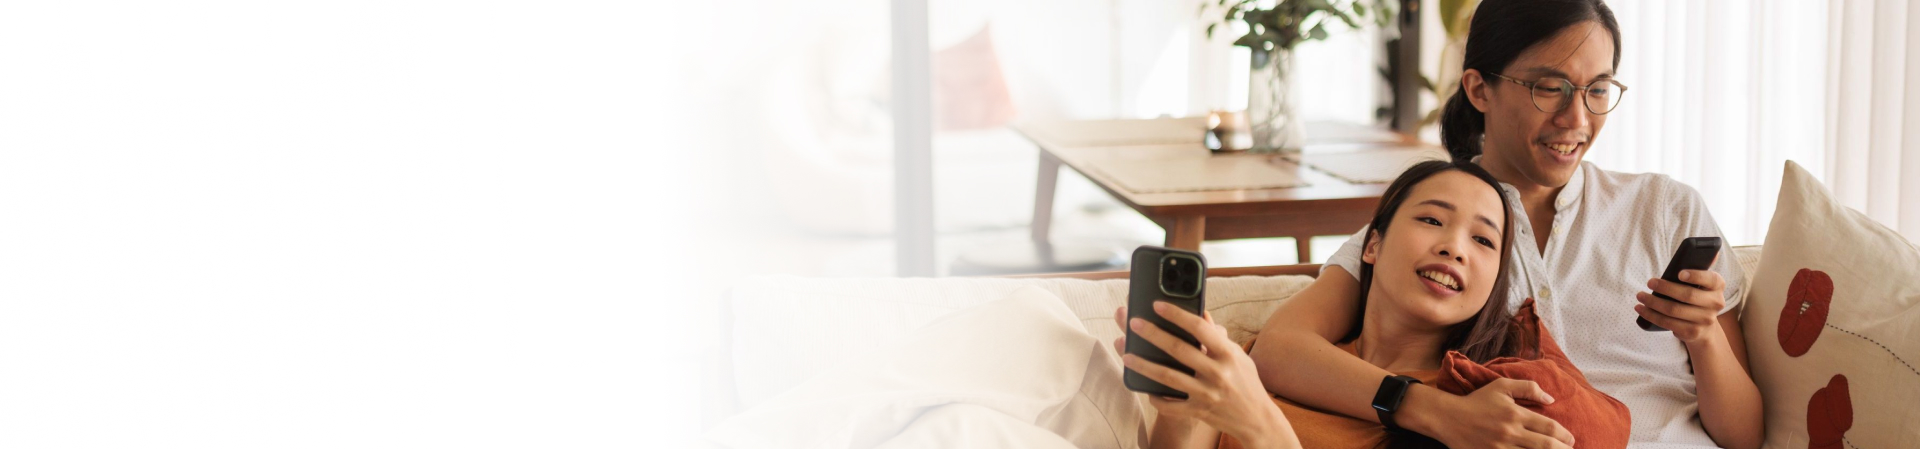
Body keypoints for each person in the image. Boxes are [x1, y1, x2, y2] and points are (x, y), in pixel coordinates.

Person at [1247, 0, 1764, 448]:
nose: (1577, 119)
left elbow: (1745, 435)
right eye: (1550, 88)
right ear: (1479, 89)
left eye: (1598, 89)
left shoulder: (1666, 209)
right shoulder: (1425, 233)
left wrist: (1703, 337)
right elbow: (1280, 349)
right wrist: (1434, 411)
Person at [1117, 160, 1587, 449]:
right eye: (1431, 219)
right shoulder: (1278, 365)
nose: (1454, 248)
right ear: (1372, 245)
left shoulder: (1476, 414)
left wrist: (1258, 423)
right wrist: (1181, 408)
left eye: (1483, 240)